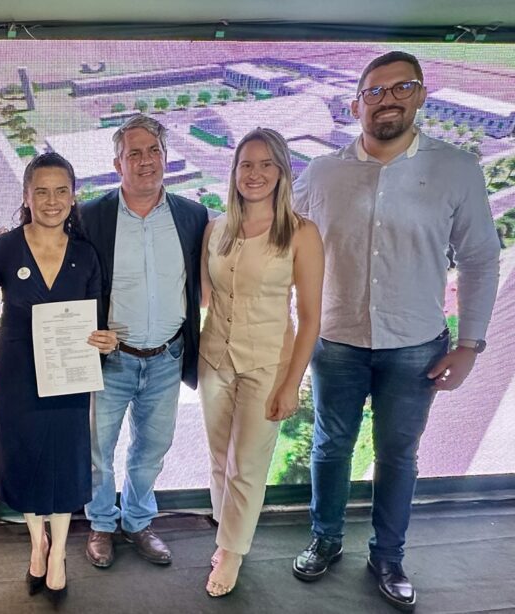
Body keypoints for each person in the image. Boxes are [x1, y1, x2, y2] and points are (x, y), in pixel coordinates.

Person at [292, 51, 500, 611]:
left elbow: (480, 258)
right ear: (356, 104)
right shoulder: (321, 172)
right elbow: (278, 238)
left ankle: (388, 556)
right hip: (336, 343)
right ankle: (325, 540)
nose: (388, 100)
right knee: (331, 446)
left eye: (401, 87)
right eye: (375, 91)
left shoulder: (456, 168)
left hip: (415, 348)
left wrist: (471, 344)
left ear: (421, 94)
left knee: (399, 456)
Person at [0, 152, 118, 606]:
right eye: (41, 191)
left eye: (61, 191)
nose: (52, 200)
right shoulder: (4, 248)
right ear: (26, 196)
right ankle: (36, 543)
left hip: (68, 376)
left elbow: (97, 319)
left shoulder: (85, 254)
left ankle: (57, 552)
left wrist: (105, 340)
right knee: (25, 458)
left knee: (64, 461)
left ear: (74, 196)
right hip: (18, 374)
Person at [198, 128, 324, 597]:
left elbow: (310, 319)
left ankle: (232, 550)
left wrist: (292, 384)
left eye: (266, 164)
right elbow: (204, 297)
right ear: (234, 172)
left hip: (267, 363)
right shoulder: (216, 228)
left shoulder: (301, 233)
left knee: (247, 464)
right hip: (214, 358)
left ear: (282, 172)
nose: (255, 173)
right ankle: (225, 533)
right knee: (219, 458)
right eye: (246, 164)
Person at [80, 115, 209, 568]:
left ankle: (137, 521)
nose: (145, 160)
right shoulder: (90, 217)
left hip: (167, 358)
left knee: (151, 450)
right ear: (118, 164)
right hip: (111, 360)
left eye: (154, 150)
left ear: (166, 158)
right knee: (97, 452)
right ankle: (101, 523)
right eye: (133, 153)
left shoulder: (192, 216)